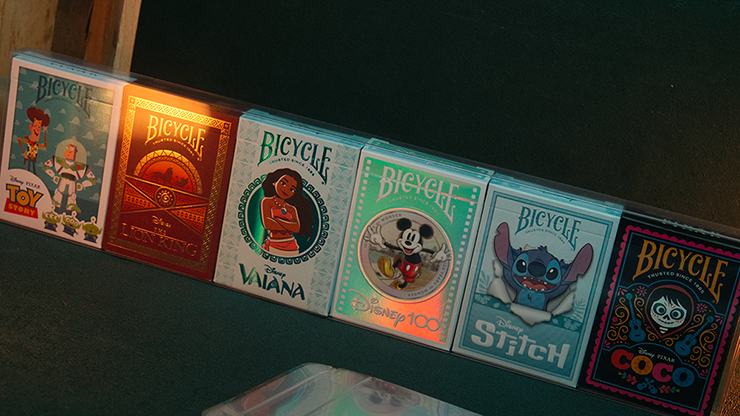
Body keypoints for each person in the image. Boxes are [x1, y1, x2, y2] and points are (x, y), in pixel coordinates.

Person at [259, 168, 314, 256]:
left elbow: (296, 228)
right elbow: (267, 224)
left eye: (292, 189)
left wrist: (276, 220)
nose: (286, 189)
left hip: (291, 246)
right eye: (283, 183)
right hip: (273, 243)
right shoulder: (266, 201)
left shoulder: (292, 208)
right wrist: (289, 225)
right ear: (274, 182)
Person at [17, 107, 49, 174]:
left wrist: (45, 131)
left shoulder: (36, 144)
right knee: (28, 170)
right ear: (31, 127)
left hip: (34, 159)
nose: (38, 129)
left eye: (39, 127)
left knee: (34, 171)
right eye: (35, 126)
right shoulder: (28, 142)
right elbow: (19, 139)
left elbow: (44, 146)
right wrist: (24, 153)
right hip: (29, 157)